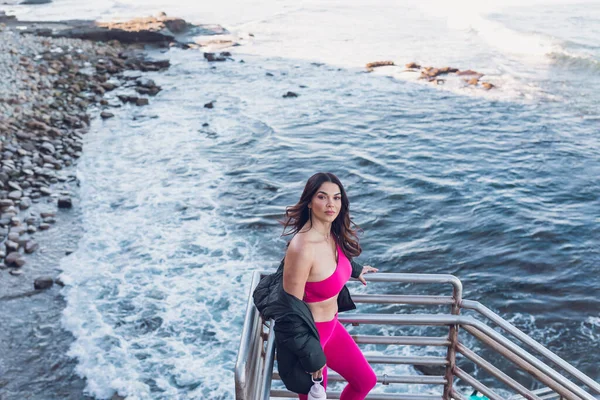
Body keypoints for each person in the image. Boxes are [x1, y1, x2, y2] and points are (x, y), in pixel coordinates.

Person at [253, 172, 378, 400]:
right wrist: (311, 356)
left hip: (332, 327)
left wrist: (355, 269)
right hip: (310, 337)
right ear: (310, 201)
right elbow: (288, 310)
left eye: (337, 197)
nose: (331, 204)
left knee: (365, 381)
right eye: (322, 197)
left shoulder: (330, 233)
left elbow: (331, 264)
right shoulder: (303, 247)